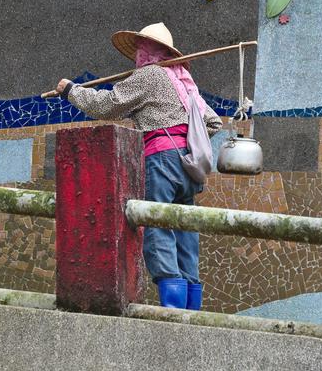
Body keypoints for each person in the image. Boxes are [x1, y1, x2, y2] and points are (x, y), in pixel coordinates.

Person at [54, 22, 222, 310]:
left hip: (162, 163)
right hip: (189, 167)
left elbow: (107, 105)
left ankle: (172, 309)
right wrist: (188, 141)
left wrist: (71, 90)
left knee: (158, 228)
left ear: (148, 51)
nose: (138, 55)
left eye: (142, 49)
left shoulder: (150, 76)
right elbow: (214, 122)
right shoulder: (183, 82)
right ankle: (191, 312)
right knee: (185, 232)